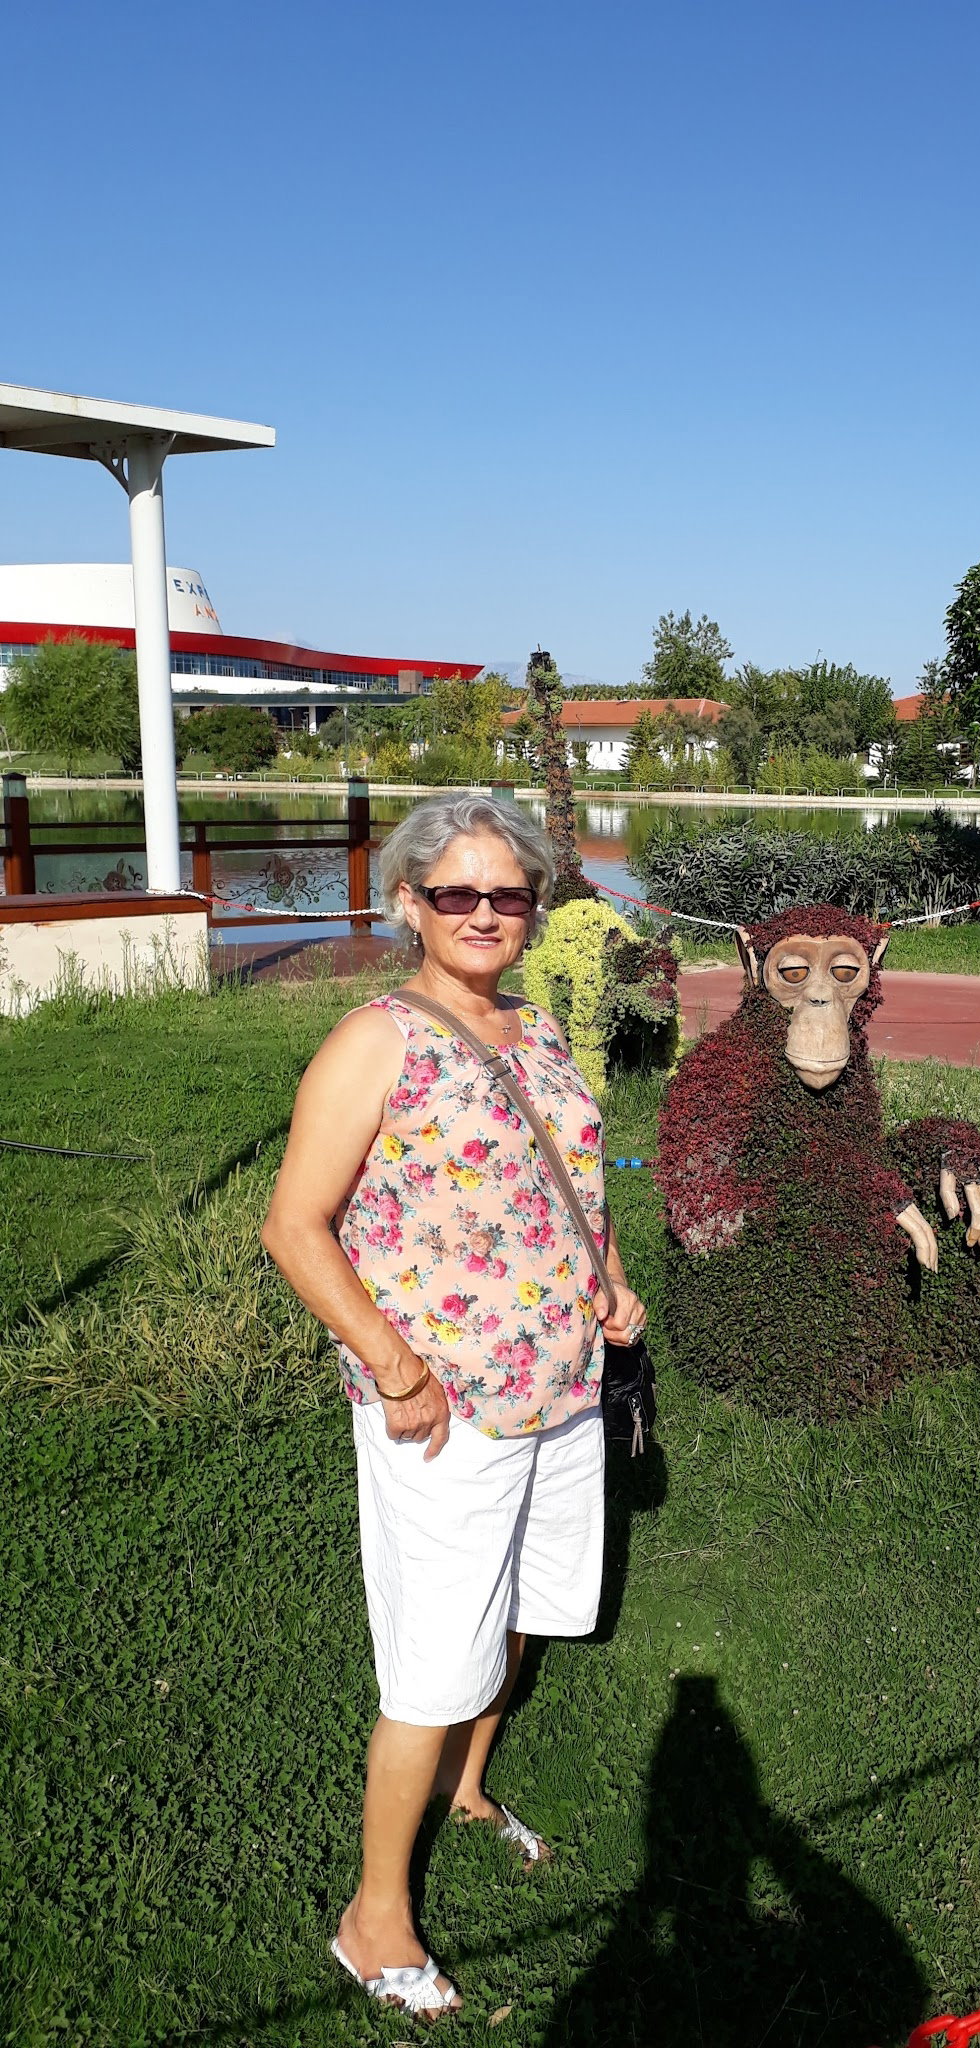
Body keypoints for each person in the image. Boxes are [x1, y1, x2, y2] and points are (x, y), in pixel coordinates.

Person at [262, 791, 647, 2017]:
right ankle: (374, 1918)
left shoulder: (537, 1029)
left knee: (524, 1609)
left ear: (537, 904)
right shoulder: (377, 1037)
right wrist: (395, 1364)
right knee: (433, 1659)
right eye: (456, 893)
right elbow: (293, 1227)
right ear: (411, 904)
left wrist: (614, 1279)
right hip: (449, 1407)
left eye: (508, 892)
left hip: (563, 1385)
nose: (485, 913)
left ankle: (470, 1788)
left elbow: (572, 1177)